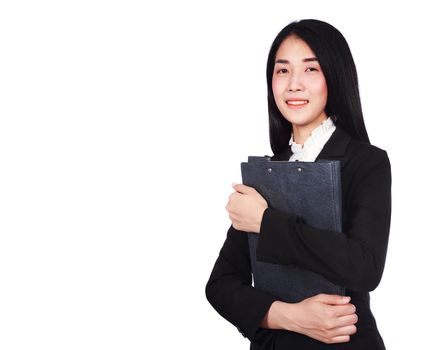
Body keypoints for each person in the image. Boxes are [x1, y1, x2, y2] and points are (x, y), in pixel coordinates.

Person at [205, 19, 391, 349]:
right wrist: (288, 316)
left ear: (333, 77)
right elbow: (220, 285)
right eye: (282, 71)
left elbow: (364, 268)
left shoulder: (366, 162)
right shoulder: (267, 173)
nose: (294, 84)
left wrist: (266, 222)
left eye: (310, 70)